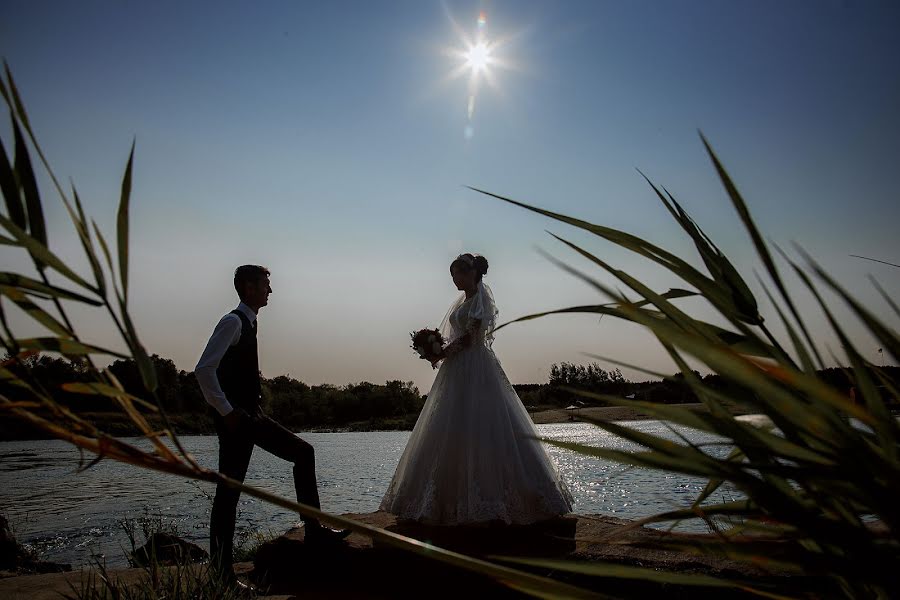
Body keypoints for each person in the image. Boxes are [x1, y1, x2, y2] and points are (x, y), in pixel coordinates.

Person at [380, 254, 572, 524]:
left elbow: (471, 338)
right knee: (450, 425)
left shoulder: (481, 300)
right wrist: (434, 346)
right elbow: (457, 332)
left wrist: (442, 352)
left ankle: (504, 501)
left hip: (476, 365)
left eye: (456, 275)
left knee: (484, 424)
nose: (454, 280)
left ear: (471, 274)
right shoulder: (463, 302)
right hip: (457, 369)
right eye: (452, 276)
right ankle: (441, 502)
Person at [195, 265, 349, 584]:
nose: (270, 290)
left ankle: (314, 532)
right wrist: (227, 411)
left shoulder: (249, 323)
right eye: (266, 284)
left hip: (252, 416)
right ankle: (222, 575)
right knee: (229, 493)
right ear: (249, 288)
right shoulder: (232, 322)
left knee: (302, 454)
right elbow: (203, 370)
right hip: (238, 421)